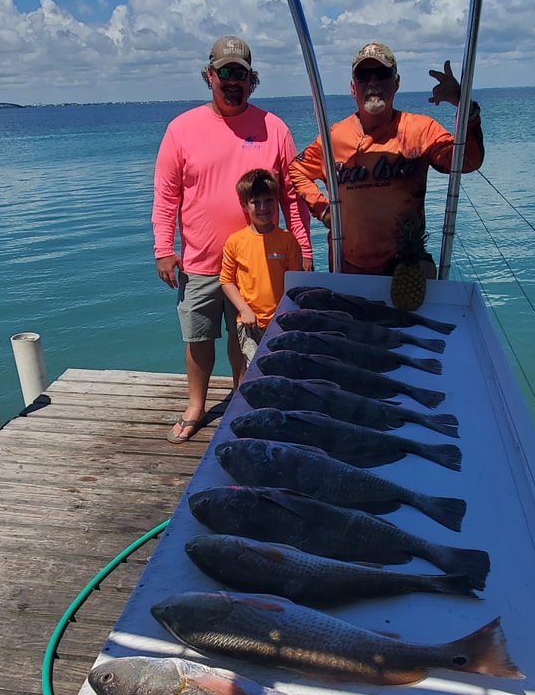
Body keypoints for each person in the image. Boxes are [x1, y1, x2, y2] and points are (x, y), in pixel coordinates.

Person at [153, 35, 312, 443]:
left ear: (251, 80)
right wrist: (163, 249)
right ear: (210, 76)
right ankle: (196, 405)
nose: (231, 81)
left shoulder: (274, 127)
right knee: (198, 337)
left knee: (250, 339)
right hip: (202, 262)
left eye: (240, 74)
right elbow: (166, 193)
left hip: (259, 265)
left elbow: (292, 196)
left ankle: (245, 401)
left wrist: (304, 250)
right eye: (224, 72)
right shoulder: (181, 129)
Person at [288, 42, 484, 276]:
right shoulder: (333, 139)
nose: (373, 82)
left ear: (397, 82)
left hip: (405, 266)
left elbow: (469, 161)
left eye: (382, 74)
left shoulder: (421, 130)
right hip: (347, 266)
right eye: (363, 75)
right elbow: (297, 169)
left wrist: (464, 104)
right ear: (353, 87)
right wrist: (322, 210)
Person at [220, 168, 308, 365]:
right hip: (250, 323)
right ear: (244, 205)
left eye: (268, 200)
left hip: (282, 321)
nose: (263, 207)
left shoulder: (288, 240)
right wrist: (244, 310)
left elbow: (295, 281)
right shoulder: (235, 241)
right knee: (258, 369)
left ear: (276, 201)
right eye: (255, 202)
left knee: (283, 368)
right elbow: (226, 281)